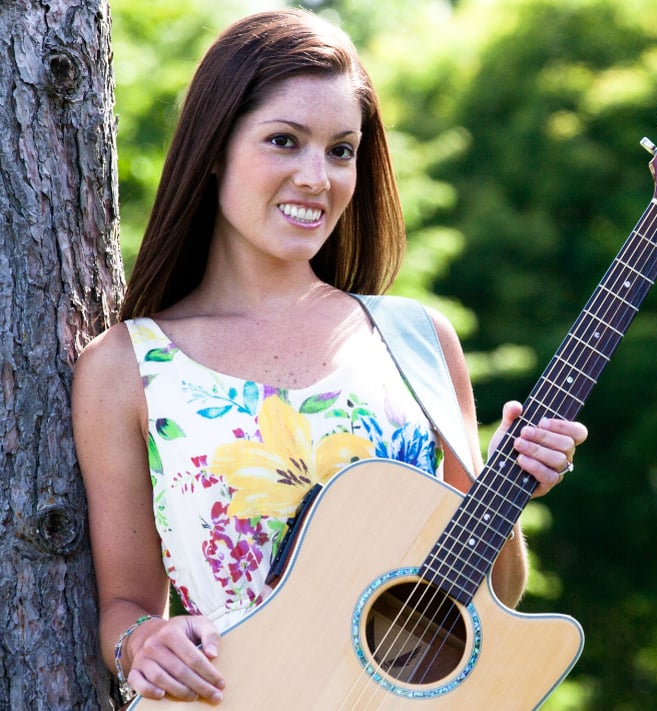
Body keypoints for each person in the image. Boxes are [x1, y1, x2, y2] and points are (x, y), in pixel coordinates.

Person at [72, 8, 588, 706]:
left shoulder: (417, 341)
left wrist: (509, 488)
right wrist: (143, 641)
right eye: (284, 141)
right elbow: (125, 605)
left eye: (341, 150)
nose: (317, 177)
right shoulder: (128, 367)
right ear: (215, 146)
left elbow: (489, 597)